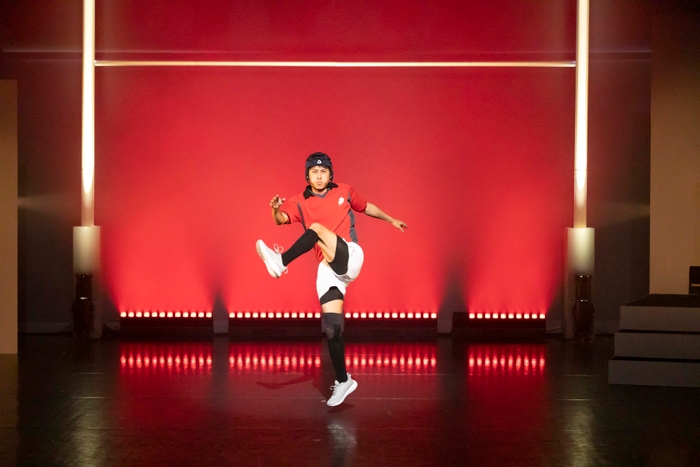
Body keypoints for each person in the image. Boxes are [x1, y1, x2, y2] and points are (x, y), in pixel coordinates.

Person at [256, 152, 407, 406]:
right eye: (314, 172)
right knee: (332, 329)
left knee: (315, 228)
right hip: (328, 269)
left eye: (323, 171)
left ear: (330, 175)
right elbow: (280, 219)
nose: (319, 176)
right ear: (307, 176)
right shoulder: (299, 201)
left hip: (350, 255)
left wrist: (391, 219)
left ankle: (281, 262)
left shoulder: (344, 191)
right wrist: (274, 209)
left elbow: (367, 207)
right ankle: (343, 380)